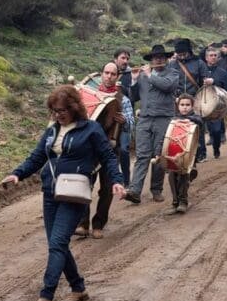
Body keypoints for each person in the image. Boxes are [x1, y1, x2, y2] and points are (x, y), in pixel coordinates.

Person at [1, 85, 125, 301]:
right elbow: (37, 157)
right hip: (51, 193)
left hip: (75, 193)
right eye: (54, 111)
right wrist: (18, 174)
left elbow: (108, 156)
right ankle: (78, 287)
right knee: (57, 244)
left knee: (58, 243)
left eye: (62, 110)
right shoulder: (52, 131)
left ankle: (46, 294)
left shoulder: (91, 129)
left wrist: (117, 180)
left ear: (74, 108)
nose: (58, 115)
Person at [76, 63, 133, 239]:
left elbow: (131, 124)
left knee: (107, 189)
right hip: (89, 148)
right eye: (106, 73)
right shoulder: (89, 93)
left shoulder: (123, 99)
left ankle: (99, 224)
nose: (109, 76)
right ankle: (82, 224)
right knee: (84, 185)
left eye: (113, 74)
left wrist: (124, 121)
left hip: (110, 149)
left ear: (117, 77)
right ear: (101, 74)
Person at [124, 45, 179, 204]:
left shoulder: (172, 73)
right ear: (151, 60)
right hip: (145, 119)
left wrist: (149, 75)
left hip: (163, 118)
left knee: (158, 155)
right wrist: (134, 81)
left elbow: (167, 86)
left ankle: (156, 190)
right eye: (155, 58)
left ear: (166, 59)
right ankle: (135, 191)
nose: (158, 60)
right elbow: (134, 97)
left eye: (161, 57)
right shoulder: (142, 76)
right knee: (142, 155)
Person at [165, 94, 203, 215]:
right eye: (182, 105)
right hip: (173, 154)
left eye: (187, 105)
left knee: (183, 177)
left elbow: (200, 121)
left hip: (189, 156)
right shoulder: (174, 120)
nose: (185, 107)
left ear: (192, 106)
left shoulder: (195, 118)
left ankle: (183, 202)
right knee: (172, 177)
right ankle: (175, 202)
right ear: (178, 106)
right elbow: (166, 137)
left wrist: (189, 119)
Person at [204, 47, 227, 159]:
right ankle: (201, 154)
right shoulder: (201, 70)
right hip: (203, 103)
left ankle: (216, 148)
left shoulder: (222, 72)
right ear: (206, 58)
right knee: (202, 129)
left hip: (217, 105)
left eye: (215, 55)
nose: (213, 57)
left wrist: (214, 82)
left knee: (216, 130)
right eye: (211, 55)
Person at [113, 49, 133, 187]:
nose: (125, 61)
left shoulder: (131, 75)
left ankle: (126, 181)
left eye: (127, 59)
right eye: (122, 58)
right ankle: (114, 180)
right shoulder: (108, 72)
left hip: (125, 113)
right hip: (109, 121)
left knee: (124, 150)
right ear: (115, 59)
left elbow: (134, 95)